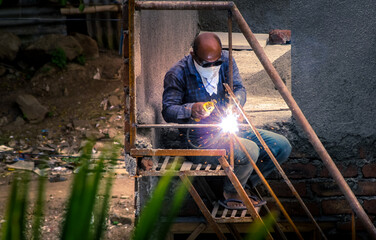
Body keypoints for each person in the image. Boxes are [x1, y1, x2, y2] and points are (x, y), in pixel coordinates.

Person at [162, 32, 291, 209]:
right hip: (199, 140)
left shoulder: (226, 61)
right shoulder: (177, 73)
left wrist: (236, 101)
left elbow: (239, 88)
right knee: (250, 150)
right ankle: (231, 193)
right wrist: (191, 109)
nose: (213, 66)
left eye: (216, 62)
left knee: (281, 146)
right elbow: (168, 110)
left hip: (229, 129)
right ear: (193, 55)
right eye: (207, 64)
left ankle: (239, 185)